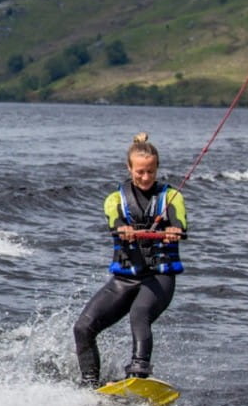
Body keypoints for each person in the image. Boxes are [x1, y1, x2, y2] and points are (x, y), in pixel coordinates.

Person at [74, 132, 188, 388]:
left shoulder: (172, 198)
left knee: (139, 314)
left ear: (157, 168)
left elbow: (179, 220)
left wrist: (173, 230)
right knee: (83, 328)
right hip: (124, 279)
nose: (145, 177)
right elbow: (113, 220)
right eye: (140, 172)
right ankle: (90, 384)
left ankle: (139, 374)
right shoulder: (115, 199)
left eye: (150, 171)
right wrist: (121, 228)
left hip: (158, 278)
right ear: (129, 169)